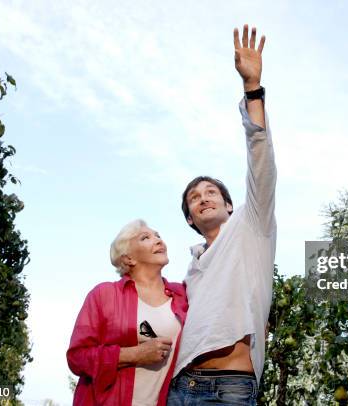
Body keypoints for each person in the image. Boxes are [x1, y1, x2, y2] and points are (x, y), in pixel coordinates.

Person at [168, 24, 276, 405]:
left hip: (230, 387)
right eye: (194, 198)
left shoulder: (252, 226)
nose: (203, 198)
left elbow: (261, 161)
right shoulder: (191, 269)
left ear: (230, 205)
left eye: (211, 191)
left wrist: (252, 89)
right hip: (182, 386)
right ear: (190, 219)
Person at [67, 219, 188, 406]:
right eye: (145, 237)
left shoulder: (182, 294)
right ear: (128, 259)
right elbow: (77, 358)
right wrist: (136, 354)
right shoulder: (104, 294)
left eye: (158, 236)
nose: (158, 240)